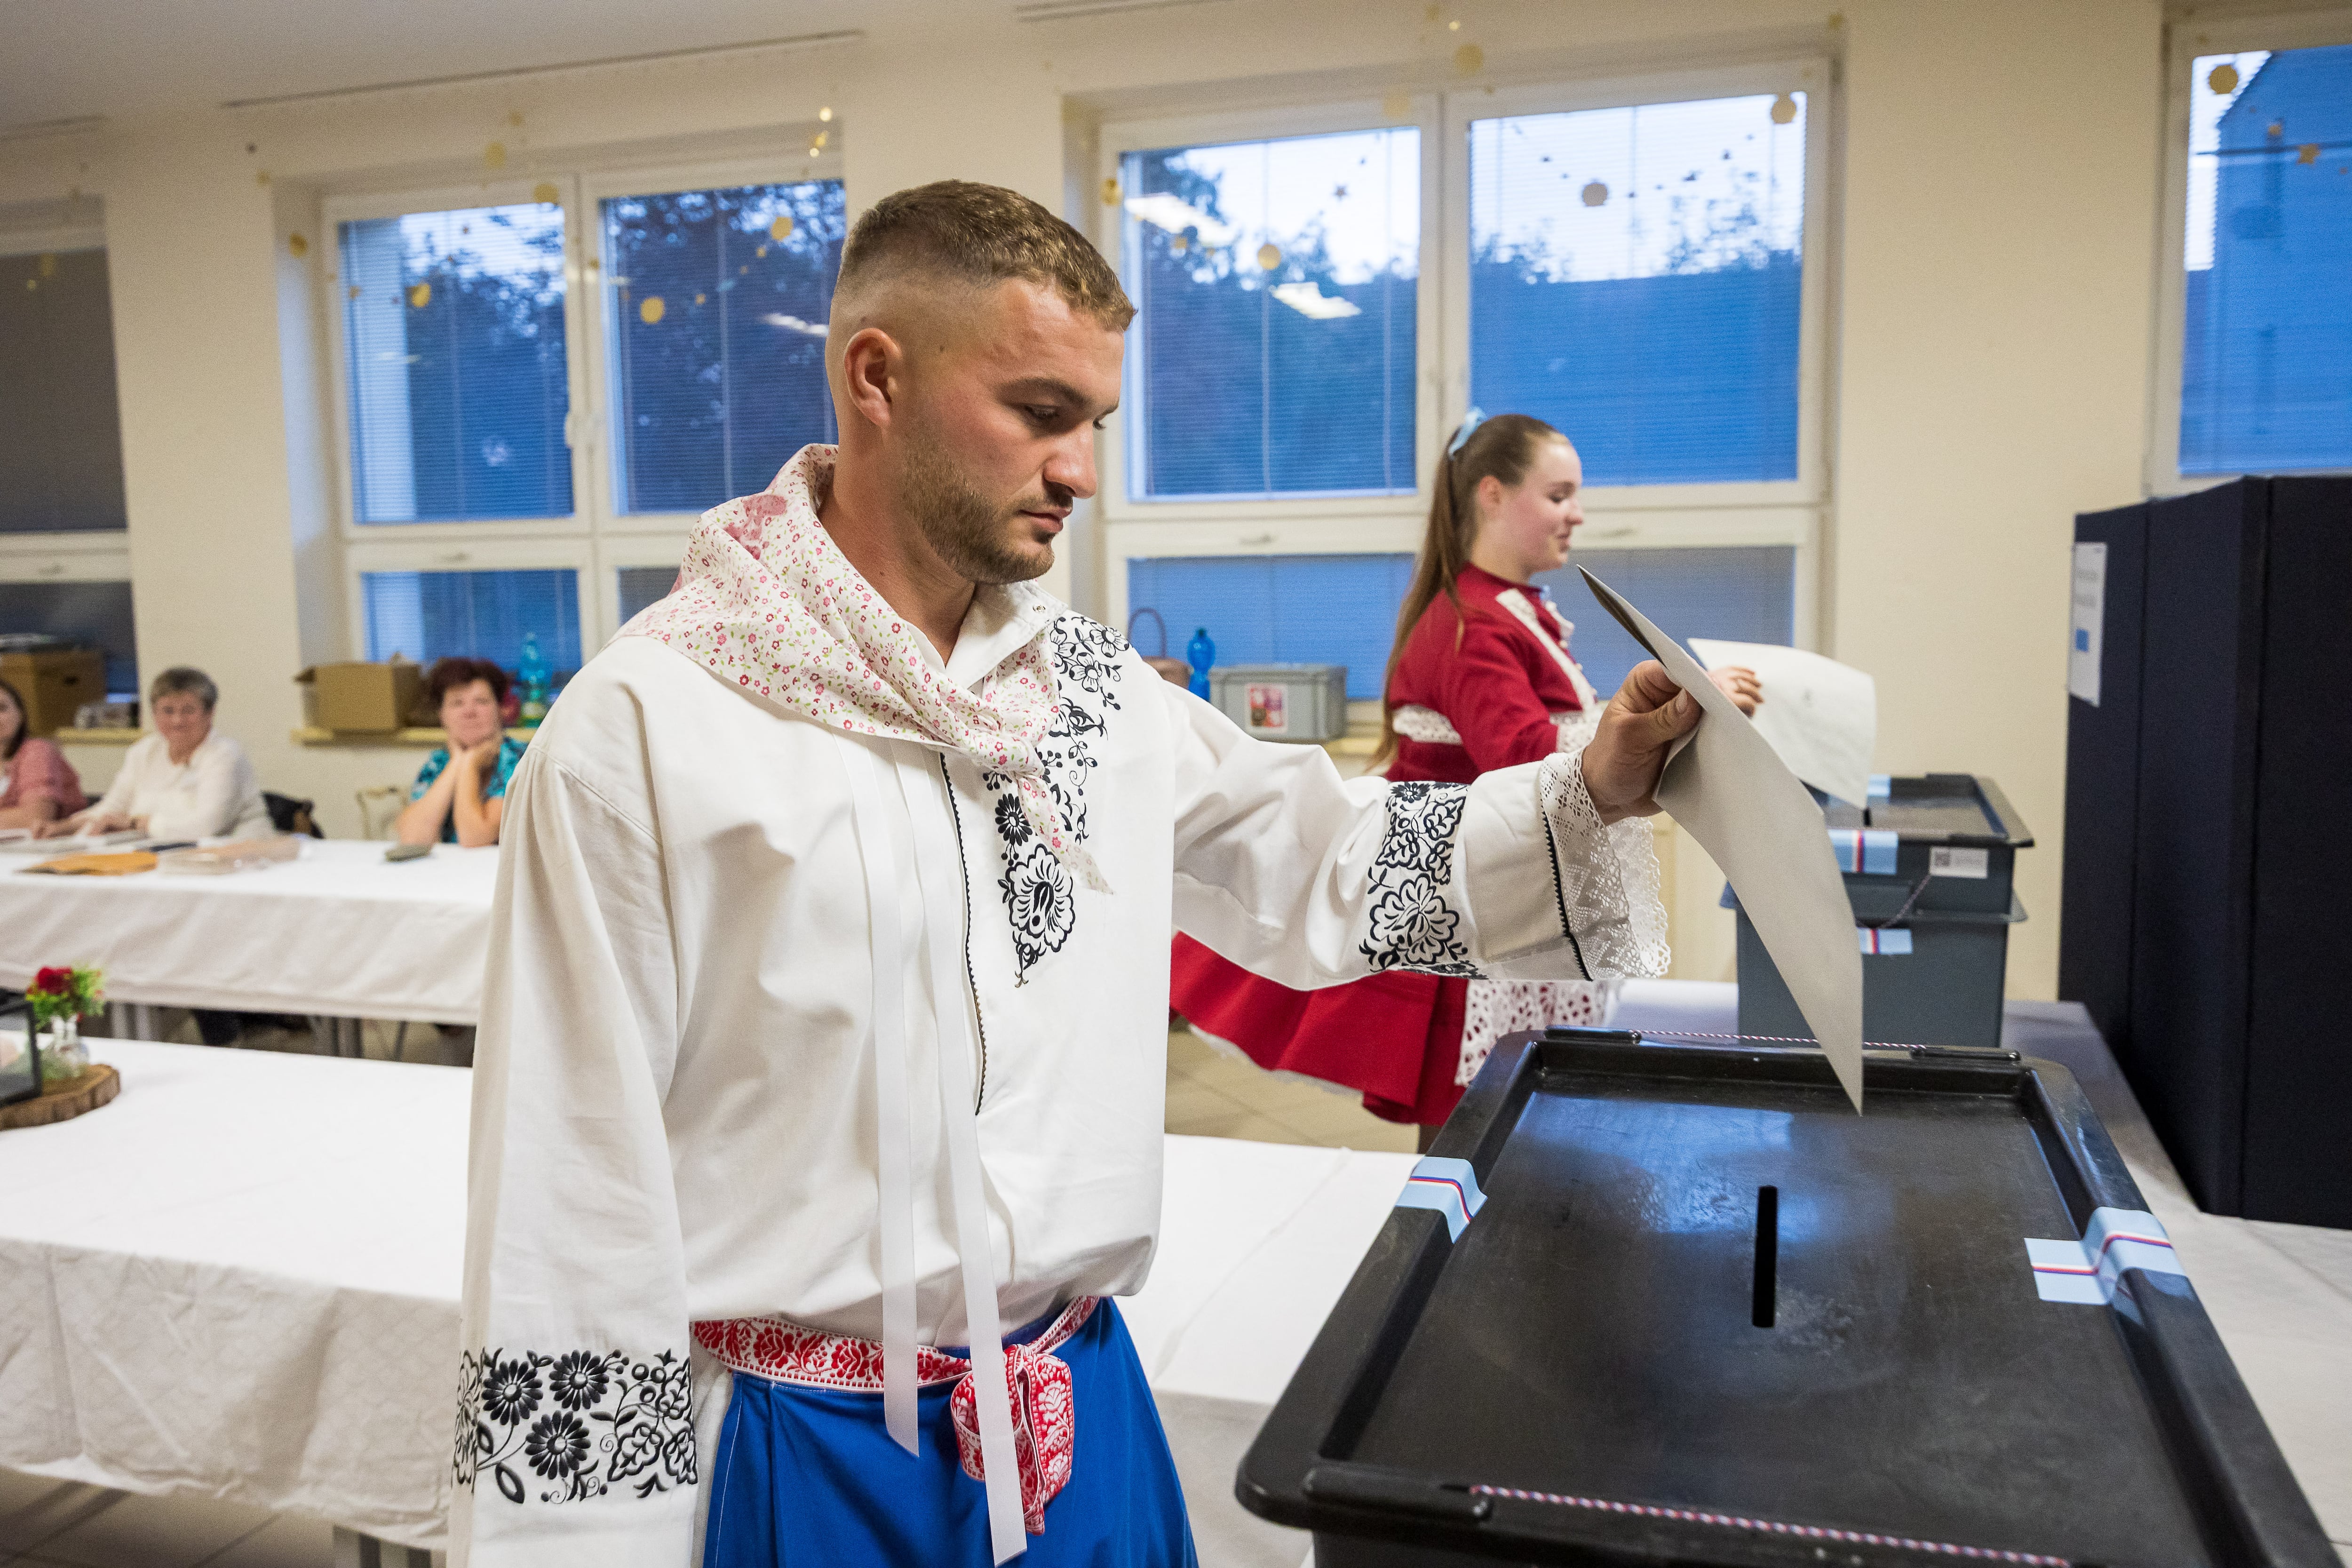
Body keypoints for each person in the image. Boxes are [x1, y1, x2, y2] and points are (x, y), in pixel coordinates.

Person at [453, 182, 1702, 1568]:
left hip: (1076, 1417)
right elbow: (571, 1185)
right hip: (802, 1449)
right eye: (1040, 413)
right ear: (877, 375)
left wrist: (1592, 785)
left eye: (1093, 424)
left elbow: (1329, 868)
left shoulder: (1095, 701)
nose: (1081, 471)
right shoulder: (649, 725)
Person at [1170, 412, 1762, 1142]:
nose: (1576, 513)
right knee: (1477, 1121)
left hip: (1487, 892)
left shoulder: (1502, 610)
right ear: (1491, 494)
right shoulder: (1471, 623)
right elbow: (1524, 754)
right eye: (1558, 495)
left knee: (1488, 1119)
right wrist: (1672, 705)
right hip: (1467, 911)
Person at [43, 666, 269, 841]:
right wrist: (64, 827)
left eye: (188, 710)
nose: (177, 721)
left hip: (240, 859)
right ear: (154, 713)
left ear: (210, 714)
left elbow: (208, 826)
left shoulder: (225, 754)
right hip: (163, 857)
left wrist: (135, 824)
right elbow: (112, 808)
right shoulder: (143, 752)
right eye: (168, 711)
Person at [397, 657, 525, 848]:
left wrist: (470, 763)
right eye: (457, 703)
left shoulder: (520, 759)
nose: (470, 711)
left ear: (500, 710)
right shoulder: (439, 761)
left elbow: (475, 838)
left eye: (481, 702)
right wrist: (458, 761)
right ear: (443, 716)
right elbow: (413, 839)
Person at [0, 677, 87, 830]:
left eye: (2, 708)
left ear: (20, 714)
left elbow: (35, 819)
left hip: (50, 848)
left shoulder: (37, 751)